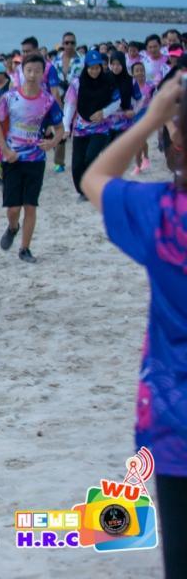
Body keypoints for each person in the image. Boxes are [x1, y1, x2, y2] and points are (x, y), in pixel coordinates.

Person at [81, 71, 185, 579]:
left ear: (176, 139)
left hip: (174, 418)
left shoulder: (164, 215)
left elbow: (94, 178)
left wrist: (151, 118)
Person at [0, 54, 65, 262]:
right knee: (13, 208)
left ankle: (25, 249)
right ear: (22, 72)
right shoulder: (10, 97)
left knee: (30, 205)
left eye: (37, 71)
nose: (32, 75)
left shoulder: (48, 101)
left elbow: (60, 128)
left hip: (36, 159)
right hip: (12, 158)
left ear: (43, 74)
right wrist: (5, 150)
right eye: (29, 70)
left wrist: (52, 142)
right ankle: (13, 227)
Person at [65, 51, 121, 199]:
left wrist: (104, 112)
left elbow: (117, 101)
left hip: (101, 127)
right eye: (91, 68)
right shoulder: (77, 83)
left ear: (101, 67)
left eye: (97, 68)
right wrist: (65, 126)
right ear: (86, 67)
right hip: (81, 128)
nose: (94, 71)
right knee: (77, 164)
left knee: (90, 157)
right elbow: (70, 105)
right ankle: (83, 191)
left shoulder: (108, 81)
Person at [130, 61, 154, 173]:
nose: (140, 72)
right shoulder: (130, 86)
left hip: (146, 114)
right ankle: (144, 159)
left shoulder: (151, 86)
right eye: (137, 70)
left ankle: (139, 165)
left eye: (141, 70)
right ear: (133, 73)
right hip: (134, 115)